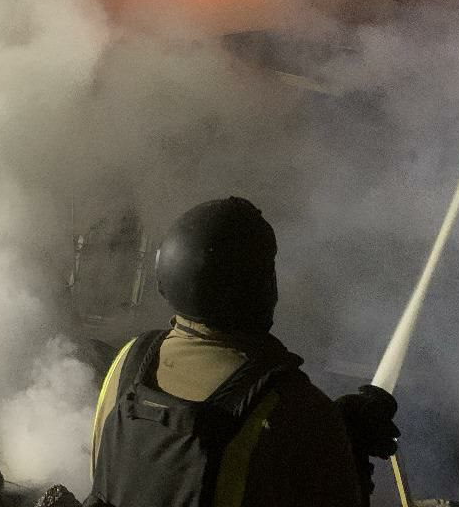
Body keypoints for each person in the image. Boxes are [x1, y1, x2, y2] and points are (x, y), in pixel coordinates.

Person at [86, 196, 399, 507]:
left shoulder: (130, 361)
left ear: (165, 276)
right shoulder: (295, 407)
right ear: (262, 290)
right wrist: (350, 451)